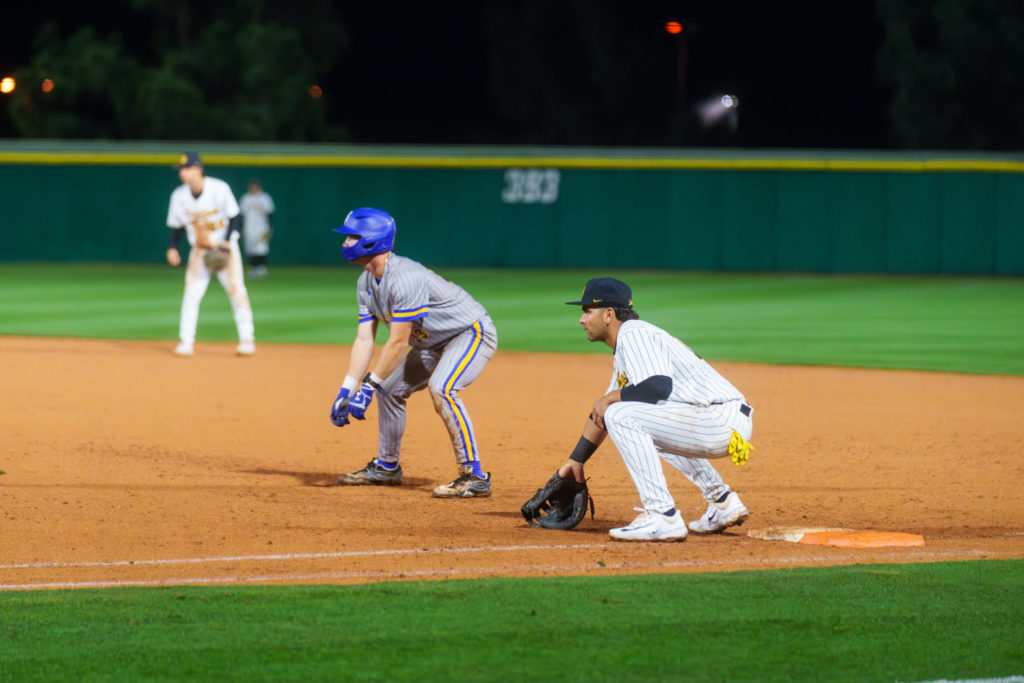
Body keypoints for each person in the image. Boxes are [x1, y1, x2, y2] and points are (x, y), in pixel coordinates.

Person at [555, 277, 754, 541]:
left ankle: (662, 515)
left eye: (587, 311)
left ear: (609, 314)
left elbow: (658, 387)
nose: (581, 320)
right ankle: (723, 502)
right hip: (719, 420)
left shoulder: (633, 333)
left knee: (621, 414)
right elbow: (601, 416)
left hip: (718, 418)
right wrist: (576, 461)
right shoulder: (628, 348)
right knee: (632, 417)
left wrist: (609, 399)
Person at [328, 207, 498, 498]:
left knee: (443, 388)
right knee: (388, 388)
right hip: (432, 343)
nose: (345, 242)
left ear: (372, 241)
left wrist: (367, 387)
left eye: (352, 237)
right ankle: (387, 467)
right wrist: (347, 388)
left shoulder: (405, 278)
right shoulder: (366, 282)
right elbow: (364, 340)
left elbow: (398, 342)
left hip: (469, 333)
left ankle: (475, 476)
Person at [165, 152, 255, 357]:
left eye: (187, 168)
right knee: (191, 293)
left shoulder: (219, 188)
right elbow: (177, 226)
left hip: (224, 246)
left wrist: (226, 243)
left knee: (236, 290)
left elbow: (235, 217)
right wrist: (172, 247)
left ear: (198, 169)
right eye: (181, 169)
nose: (182, 172)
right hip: (200, 248)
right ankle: (186, 341)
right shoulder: (179, 196)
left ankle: (247, 340)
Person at [239, 179, 275, 279]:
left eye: (255, 186)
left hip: (262, 227)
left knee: (261, 248)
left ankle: (262, 268)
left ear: (259, 187)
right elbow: (241, 215)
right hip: (249, 227)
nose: (253, 188)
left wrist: (269, 227)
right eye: (252, 187)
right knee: (250, 248)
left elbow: (269, 213)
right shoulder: (246, 198)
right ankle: (253, 268)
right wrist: (241, 228)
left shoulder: (265, 198)